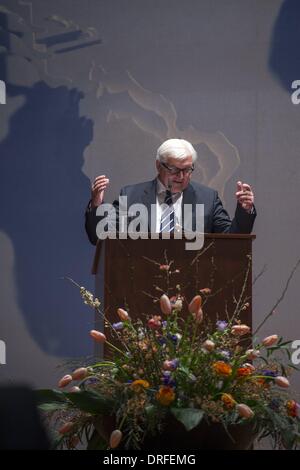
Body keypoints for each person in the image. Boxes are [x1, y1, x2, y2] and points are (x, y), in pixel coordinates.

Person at [85, 139, 256, 245]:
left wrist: (245, 210)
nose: (181, 176)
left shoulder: (207, 198)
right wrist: (97, 205)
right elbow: (100, 238)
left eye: (188, 170)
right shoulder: (131, 196)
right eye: (174, 169)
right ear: (158, 165)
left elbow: (231, 242)